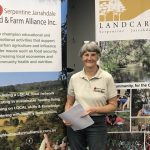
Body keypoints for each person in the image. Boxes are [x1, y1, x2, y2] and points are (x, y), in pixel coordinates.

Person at [63, 41, 118, 150]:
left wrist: (94, 109)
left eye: (93, 55)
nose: (89, 58)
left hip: (97, 123)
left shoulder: (107, 77)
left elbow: (113, 105)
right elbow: (69, 103)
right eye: (86, 55)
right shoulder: (75, 78)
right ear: (82, 57)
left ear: (98, 57)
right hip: (76, 120)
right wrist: (67, 117)